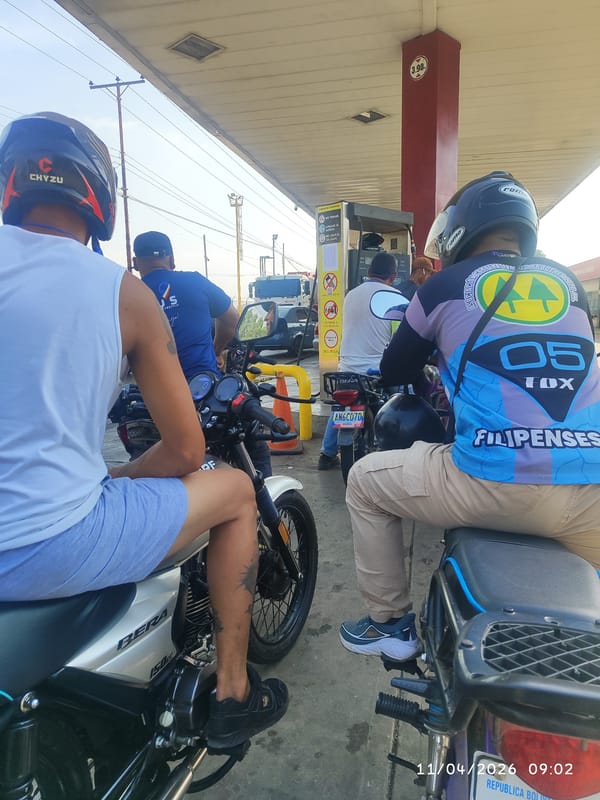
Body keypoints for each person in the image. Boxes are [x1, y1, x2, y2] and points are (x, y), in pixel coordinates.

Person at [0, 111, 287, 747]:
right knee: (238, 491)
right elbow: (186, 447)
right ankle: (233, 692)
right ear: (96, 195)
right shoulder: (121, 289)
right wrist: (123, 474)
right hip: (44, 541)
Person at [340, 171, 600, 660]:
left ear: (462, 229)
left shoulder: (442, 285)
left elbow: (396, 367)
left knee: (364, 483)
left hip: (492, 482)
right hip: (590, 489)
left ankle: (390, 625)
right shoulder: (568, 284)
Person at [133, 230, 272, 476]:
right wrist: (217, 349)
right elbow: (231, 321)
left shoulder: (129, 293)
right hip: (202, 392)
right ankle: (262, 503)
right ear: (171, 259)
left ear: (135, 262)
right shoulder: (194, 281)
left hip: (148, 400)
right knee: (254, 439)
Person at [318, 252, 401, 470]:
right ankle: (394, 450)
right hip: (377, 370)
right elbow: (400, 338)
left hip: (347, 368)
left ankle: (326, 454)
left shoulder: (351, 295)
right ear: (393, 276)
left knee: (341, 408)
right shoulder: (395, 296)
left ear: (370, 271)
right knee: (399, 397)